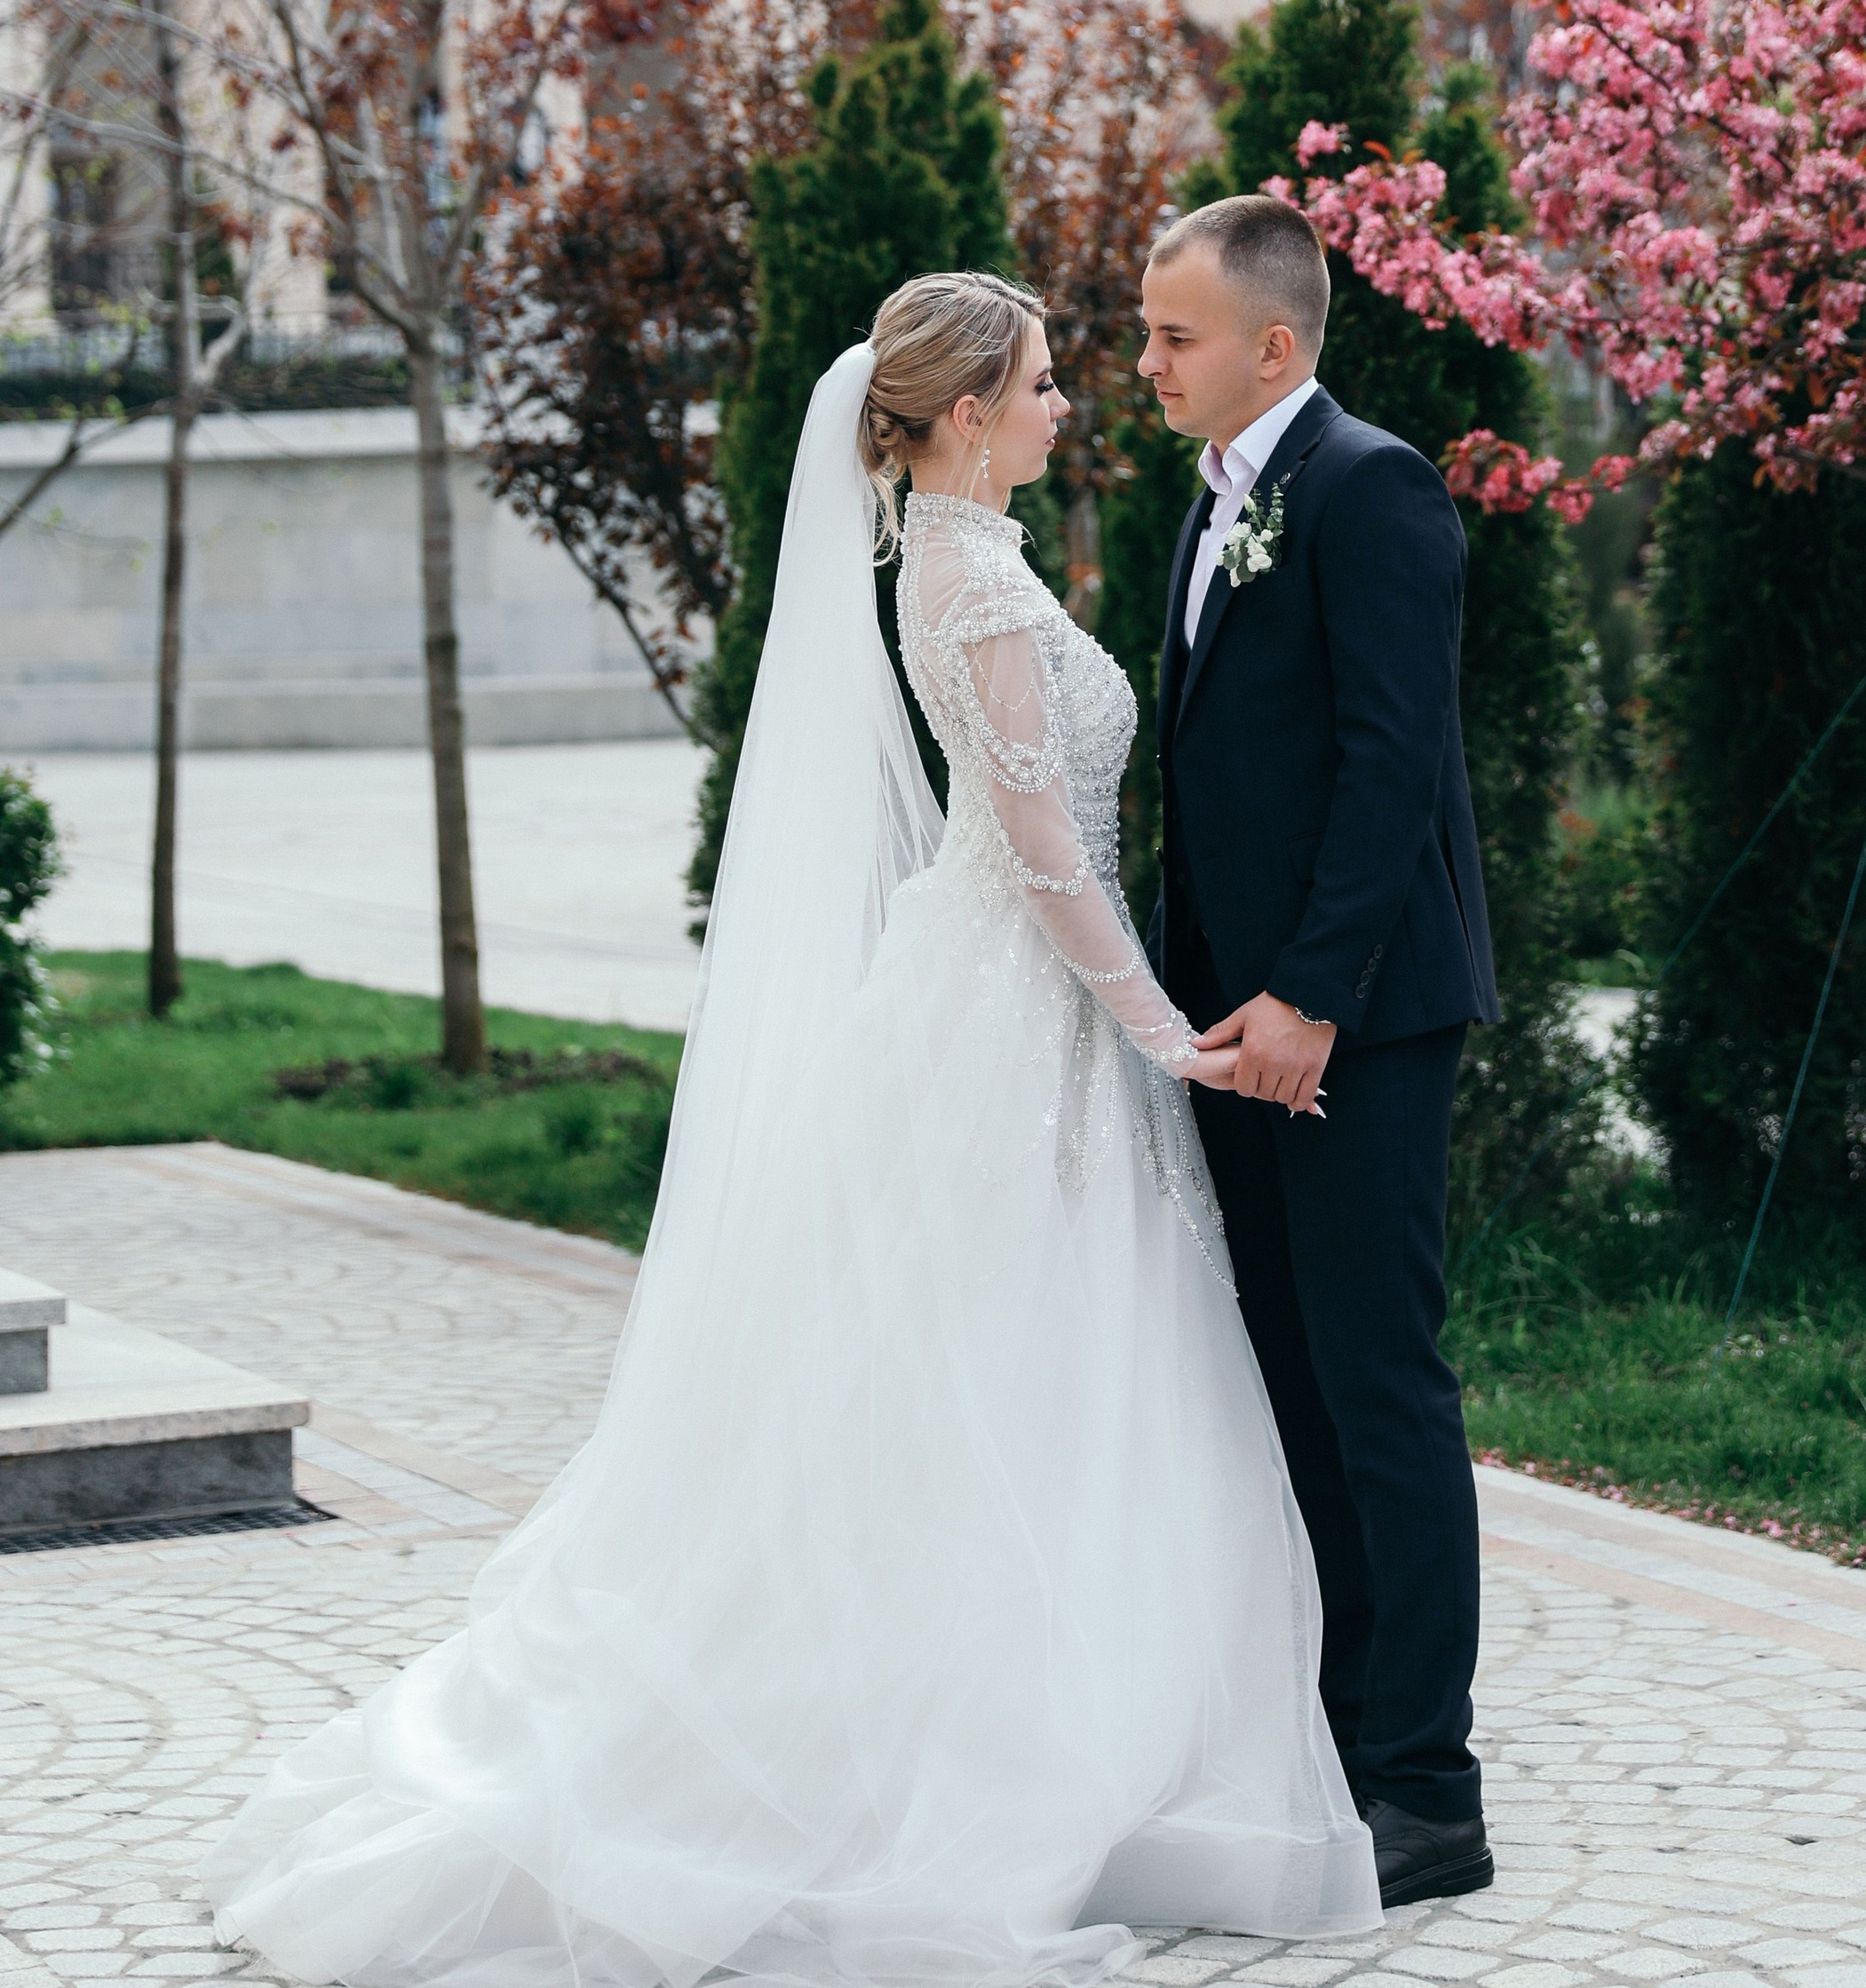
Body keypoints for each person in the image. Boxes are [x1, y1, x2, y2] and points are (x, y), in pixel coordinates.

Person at [206, 274, 1379, 1985]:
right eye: (1047, 380)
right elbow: (1045, 848)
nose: (1073, 403)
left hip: (991, 998)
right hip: (1020, 1011)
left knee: (1005, 1371)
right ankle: (964, 1760)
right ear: (968, 408)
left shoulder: (956, 558)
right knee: (1008, 1373)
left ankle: (1079, 1737)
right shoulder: (973, 578)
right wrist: (1156, 1035)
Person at [1139, 196, 1497, 1909]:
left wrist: (1310, 998)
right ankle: (1334, 1745)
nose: (1147, 362)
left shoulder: (1371, 486)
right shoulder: (1214, 503)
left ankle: (1427, 1785)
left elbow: (1390, 763)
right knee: (1284, 1385)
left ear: (1272, 344)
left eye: (1173, 335)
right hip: (1232, 1028)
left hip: (1352, 1019)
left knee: (1378, 1384)